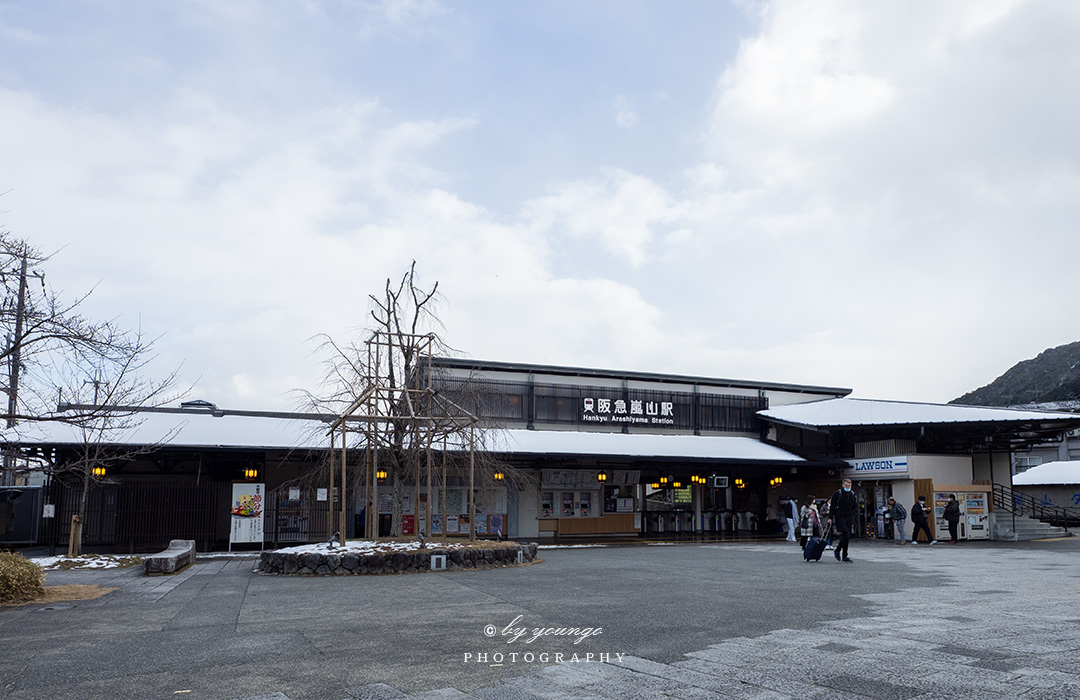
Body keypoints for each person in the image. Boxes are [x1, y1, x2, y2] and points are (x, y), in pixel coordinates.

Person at [828, 478, 857, 563]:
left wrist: (853, 514)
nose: (848, 487)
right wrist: (830, 517)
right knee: (846, 534)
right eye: (846, 485)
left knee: (847, 537)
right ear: (843, 485)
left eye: (849, 485)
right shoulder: (837, 493)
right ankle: (838, 550)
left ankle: (844, 555)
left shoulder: (852, 494)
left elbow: (854, 506)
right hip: (840, 516)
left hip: (848, 517)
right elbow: (832, 506)